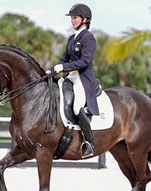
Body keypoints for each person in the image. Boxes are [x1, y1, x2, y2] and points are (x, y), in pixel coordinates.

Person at [53, 3, 100, 158]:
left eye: (75, 18)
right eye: (71, 18)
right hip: (70, 77)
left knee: (77, 107)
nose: (72, 21)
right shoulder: (72, 38)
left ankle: (89, 143)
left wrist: (64, 67)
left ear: (84, 19)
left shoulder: (88, 38)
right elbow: (64, 58)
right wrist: (54, 68)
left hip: (83, 78)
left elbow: (85, 61)